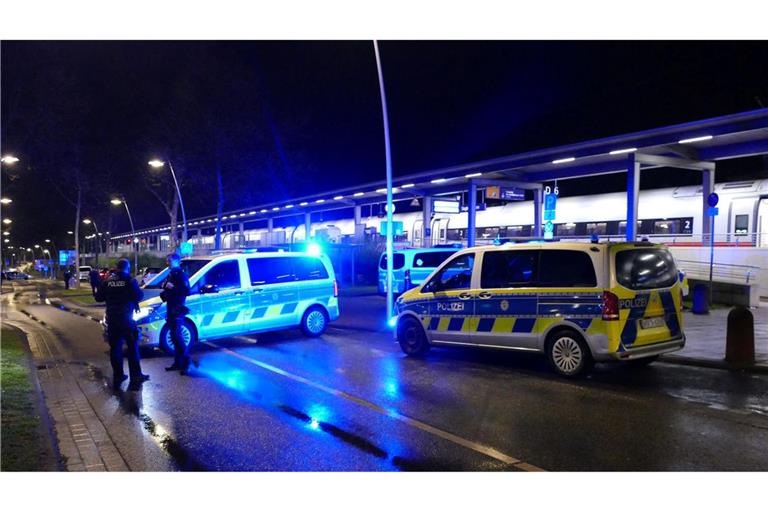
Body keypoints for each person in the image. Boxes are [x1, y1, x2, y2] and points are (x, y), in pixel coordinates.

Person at [94, 258, 149, 390]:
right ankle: (136, 376)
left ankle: (118, 375)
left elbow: (98, 297)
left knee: (115, 348)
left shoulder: (108, 281)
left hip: (112, 319)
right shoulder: (129, 280)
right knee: (132, 347)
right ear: (127, 268)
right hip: (126, 319)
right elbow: (139, 296)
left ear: (117, 267)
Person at [160, 252, 192, 374]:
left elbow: (186, 290)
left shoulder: (181, 274)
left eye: (169, 260)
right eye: (167, 260)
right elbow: (168, 288)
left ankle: (186, 362)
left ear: (176, 261)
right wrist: (165, 288)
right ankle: (178, 363)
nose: (167, 262)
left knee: (178, 337)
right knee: (174, 337)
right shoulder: (172, 274)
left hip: (177, 309)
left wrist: (172, 288)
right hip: (171, 308)